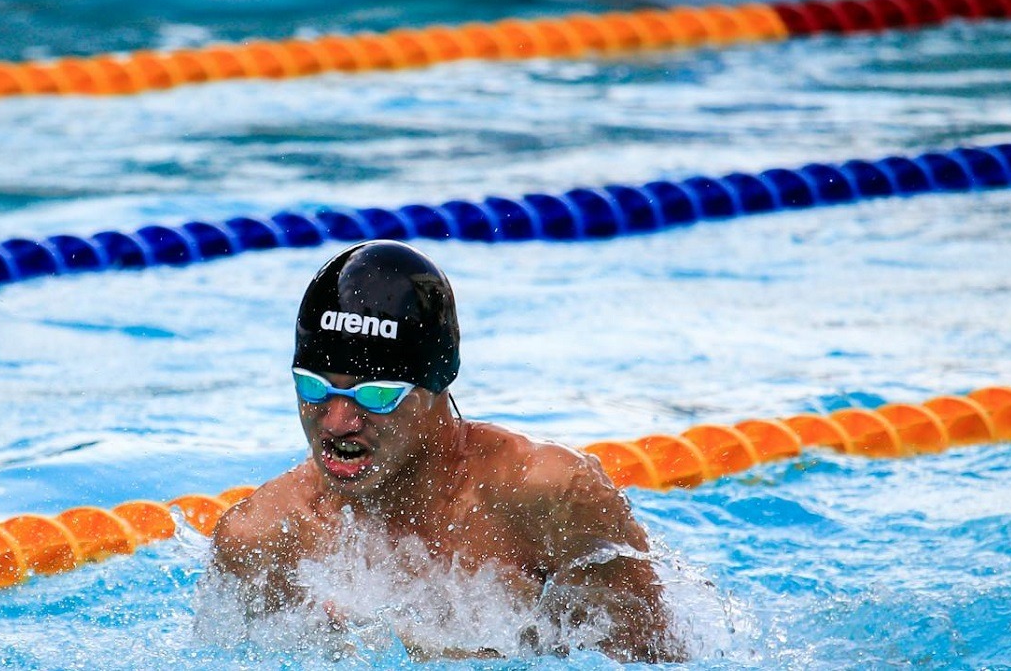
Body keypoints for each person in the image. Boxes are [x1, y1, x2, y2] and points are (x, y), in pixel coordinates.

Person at [208, 240, 684, 663]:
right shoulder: (262, 539)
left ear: (436, 384)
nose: (336, 423)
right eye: (313, 388)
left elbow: (654, 657)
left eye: (375, 394)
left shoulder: (548, 496)